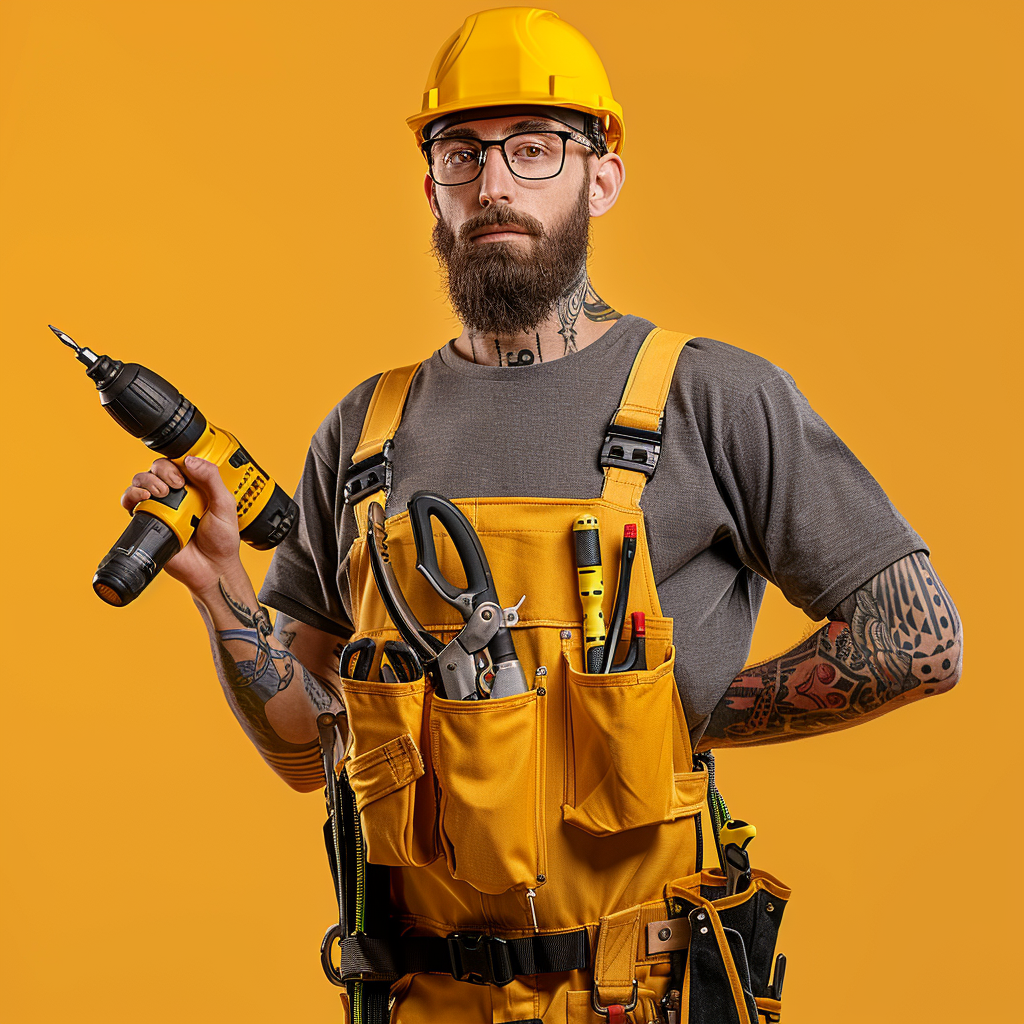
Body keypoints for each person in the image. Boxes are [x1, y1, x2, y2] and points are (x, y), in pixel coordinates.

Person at [120, 8, 962, 1022]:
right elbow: (307, 745)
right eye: (461, 151)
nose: (494, 184)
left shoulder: (712, 398)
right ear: (430, 184)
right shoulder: (364, 431)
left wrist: (674, 722)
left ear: (599, 177)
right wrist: (218, 586)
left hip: (640, 995)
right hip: (419, 996)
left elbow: (917, 642)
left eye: (534, 148)